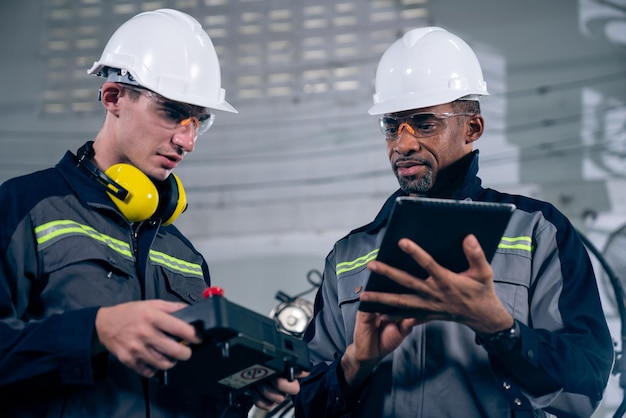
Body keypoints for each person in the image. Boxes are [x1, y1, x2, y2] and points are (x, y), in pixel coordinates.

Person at [294, 26, 614, 417]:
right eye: (392, 126)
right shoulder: (347, 256)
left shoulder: (537, 231)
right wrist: (356, 361)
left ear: (472, 128)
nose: (403, 143)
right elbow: (306, 404)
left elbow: (587, 381)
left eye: (424, 123)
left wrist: (501, 330)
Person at [0, 9, 300, 418]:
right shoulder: (25, 208)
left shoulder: (186, 257)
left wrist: (244, 387)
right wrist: (97, 330)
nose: (187, 141)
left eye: (199, 122)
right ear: (113, 97)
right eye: (172, 113)